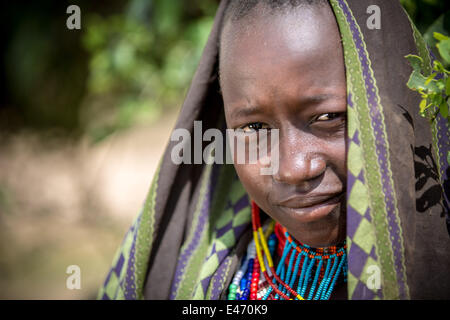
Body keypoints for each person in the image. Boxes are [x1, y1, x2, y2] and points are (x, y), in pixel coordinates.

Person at [98, 0, 450, 300]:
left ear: (392, 100)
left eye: (328, 117)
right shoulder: (197, 280)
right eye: (253, 128)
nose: (294, 168)